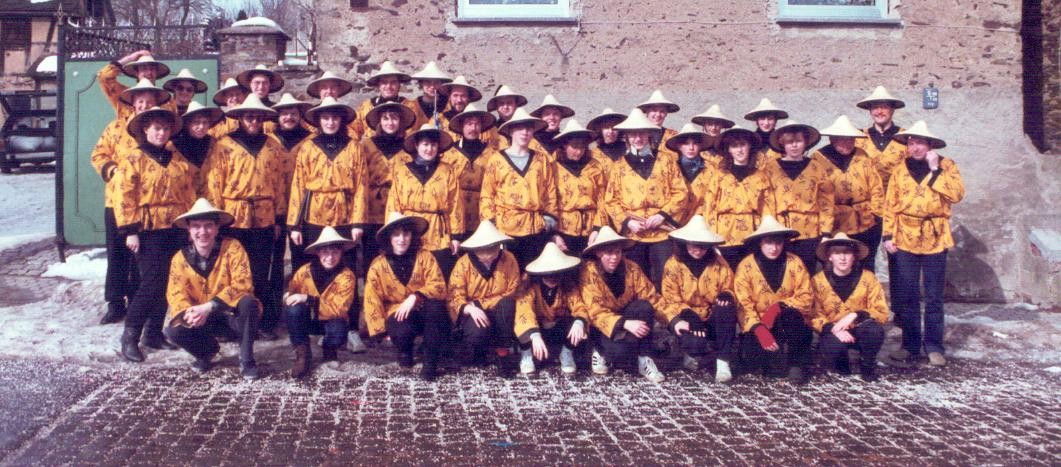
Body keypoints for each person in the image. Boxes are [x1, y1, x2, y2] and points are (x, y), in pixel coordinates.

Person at [114, 107, 198, 362]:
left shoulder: (176, 160)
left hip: (175, 228)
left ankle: (153, 333)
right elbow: (124, 196)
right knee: (150, 284)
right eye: (156, 129)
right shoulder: (134, 159)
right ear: (145, 131)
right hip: (148, 230)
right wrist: (130, 231)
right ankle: (130, 336)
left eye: (165, 129)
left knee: (169, 281)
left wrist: (191, 225)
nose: (161, 133)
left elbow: (188, 192)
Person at [201, 94, 288, 340]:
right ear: (240, 118)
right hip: (233, 216)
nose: (252, 121)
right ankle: (228, 323)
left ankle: (259, 322)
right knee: (231, 270)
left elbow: (281, 183)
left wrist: (279, 217)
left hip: (264, 216)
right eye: (248, 116)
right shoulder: (224, 145)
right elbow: (215, 182)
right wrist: (217, 219)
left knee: (260, 271)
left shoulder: (273, 145)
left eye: (257, 116)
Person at [286, 96, 369, 353]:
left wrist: (357, 221)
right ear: (319, 121)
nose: (330, 122)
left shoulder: (354, 147)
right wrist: (295, 224)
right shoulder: (308, 148)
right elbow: (299, 186)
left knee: (348, 273)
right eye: (325, 118)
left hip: (344, 216)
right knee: (314, 270)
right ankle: (315, 328)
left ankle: (350, 327)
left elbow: (361, 186)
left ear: (341, 120)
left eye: (335, 117)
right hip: (314, 216)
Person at [883, 121, 964, 367]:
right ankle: (909, 345)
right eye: (911, 142)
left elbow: (957, 194)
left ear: (930, 145)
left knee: (933, 296)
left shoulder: (947, 165)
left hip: (935, 236)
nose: (914, 147)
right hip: (905, 235)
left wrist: (935, 169)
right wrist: (888, 235)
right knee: (907, 294)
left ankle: (934, 346)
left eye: (920, 142)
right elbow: (890, 204)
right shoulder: (899, 169)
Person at [90, 78, 169, 325]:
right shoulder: (116, 128)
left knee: (142, 256)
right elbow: (98, 154)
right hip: (118, 202)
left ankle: (137, 301)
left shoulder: (160, 131)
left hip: (146, 206)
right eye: (140, 101)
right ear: (133, 104)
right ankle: (115, 303)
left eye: (149, 101)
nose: (144, 105)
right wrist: (113, 170)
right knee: (118, 253)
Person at [163, 199, 261, 379]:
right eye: (196, 227)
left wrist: (209, 307)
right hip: (201, 320)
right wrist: (190, 313)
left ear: (217, 228)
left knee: (249, 303)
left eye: (208, 226)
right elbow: (175, 292)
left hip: (231, 315)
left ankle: (247, 359)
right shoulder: (179, 258)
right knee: (173, 329)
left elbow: (243, 282)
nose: (203, 232)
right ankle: (206, 352)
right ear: (189, 230)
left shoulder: (233, 247)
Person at [603, 108, 687, 288]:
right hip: (635, 233)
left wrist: (662, 215)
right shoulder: (619, 166)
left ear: (649, 134)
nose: (637, 138)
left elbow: (680, 192)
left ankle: (666, 315)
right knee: (637, 278)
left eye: (641, 133)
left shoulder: (666, 160)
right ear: (627, 137)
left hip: (661, 232)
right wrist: (627, 223)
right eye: (633, 134)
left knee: (664, 276)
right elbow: (611, 201)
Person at [364, 213, 450, 381]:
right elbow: (371, 299)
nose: (401, 239)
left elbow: (439, 285)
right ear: (389, 238)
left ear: (412, 236)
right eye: (396, 234)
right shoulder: (378, 265)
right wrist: (380, 331)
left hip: (424, 308)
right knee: (401, 332)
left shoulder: (425, 257)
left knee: (437, 308)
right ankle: (405, 351)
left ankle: (430, 364)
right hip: (397, 313)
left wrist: (415, 297)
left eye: (406, 234)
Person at [733, 216, 815, 385]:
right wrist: (758, 328)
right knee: (753, 361)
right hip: (759, 324)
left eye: (778, 242)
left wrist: (779, 306)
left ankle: (795, 364)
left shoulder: (795, 262)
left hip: (788, 322)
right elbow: (743, 304)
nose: (774, 248)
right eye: (769, 242)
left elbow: (806, 296)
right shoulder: (746, 266)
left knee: (791, 316)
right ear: (760, 243)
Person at [579, 226, 665, 383]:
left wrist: (675, 321)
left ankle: (645, 358)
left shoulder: (631, 268)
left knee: (644, 306)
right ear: (598, 253)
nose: (614, 258)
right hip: (602, 327)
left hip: (626, 317)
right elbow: (595, 311)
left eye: (617, 252)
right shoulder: (589, 272)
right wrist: (624, 323)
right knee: (620, 354)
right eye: (608, 253)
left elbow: (652, 297)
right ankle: (599, 350)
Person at [659, 215, 738, 383]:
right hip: (687, 318)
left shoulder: (719, 263)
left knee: (727, 307)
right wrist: (687, 313)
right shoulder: (673, 264)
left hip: (711, 315)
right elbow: (670, 297)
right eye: (694, 245)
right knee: (695, 344)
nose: (698, 251)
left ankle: (723, 362)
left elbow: (729, 287)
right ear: (686, 242)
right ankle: (686, 350)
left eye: (703, 247)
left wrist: (726, 294)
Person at [480, 107, 558, 267]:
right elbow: (487, 194)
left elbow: (550, 191)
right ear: (511, 131)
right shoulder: (497, 159)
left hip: (535, 228)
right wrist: (491, 225)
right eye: (520, 128)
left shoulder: (541, 159)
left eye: (529, 128)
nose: (525, 132)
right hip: (506, 228)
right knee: (507, 273)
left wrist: (548, 221)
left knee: (534, 274)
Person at [386, 123, 465, 277]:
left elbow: (456, 204)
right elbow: (393, 204)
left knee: (441, 274)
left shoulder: (448, 171)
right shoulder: (402, 171)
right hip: (410, 230)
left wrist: (456, 237)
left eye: (433, 145)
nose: (429, 149)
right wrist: (393, 233)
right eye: (425, 144)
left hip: (439, 232)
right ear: (416, 145)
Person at [811, 234, 889, 382]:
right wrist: (832, 328)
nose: (842, 258)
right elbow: (813, 314)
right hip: (833, 331)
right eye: (837, 253)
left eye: (847, 252)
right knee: (834, 351)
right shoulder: (817, 281)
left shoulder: (868, 278)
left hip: (861, 328)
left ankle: (867, 364)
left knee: (875, 331)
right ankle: (841, 363)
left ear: (854, 256)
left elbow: (882, 311)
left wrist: (856, 315)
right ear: (829, 257)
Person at [284, 226, 358, 378]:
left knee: (338, 329)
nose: (330, 257)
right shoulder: (304, 271)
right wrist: (288, 297)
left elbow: (340, 308)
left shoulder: (347, 275)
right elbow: (291, 293)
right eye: (325, 252)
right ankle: (303, 355)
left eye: (335, 252)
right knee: (293, 309)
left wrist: (309, 299)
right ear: (318, 252)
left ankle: (329, 350)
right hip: (308, 319)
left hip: (332, 322)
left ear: (341, 252)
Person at [762, 119, 835, 273]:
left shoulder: (817, 168)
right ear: (782, 144)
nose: (794, 145)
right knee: (782, 272)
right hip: (780, 231)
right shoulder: (770, 168)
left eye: (798, 141)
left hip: (809, 231)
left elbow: (826, 202)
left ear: (805, 143)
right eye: (789, 142)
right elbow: (766, 201)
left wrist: (826, 232)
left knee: (807, 273)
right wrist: (770, 230)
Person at [813, 115, 885, 272]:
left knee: (866, 262)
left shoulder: (862, 156)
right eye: (842, 139)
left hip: (866, 221)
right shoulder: (818, 159)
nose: (847, 143)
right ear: (832, 139)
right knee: (837, 265)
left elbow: (876, 187)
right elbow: (816, 193)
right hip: (835, 222)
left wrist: (878, 216)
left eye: (850, 139)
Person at [447, 221, 522, 369]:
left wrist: (480, 304)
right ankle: (477, 351)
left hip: (499, 310)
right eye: (482, 250)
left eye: (492, 248)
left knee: (507, 304)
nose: (488, 255)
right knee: (476, 334)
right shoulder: (463, 264)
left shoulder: (509, 259)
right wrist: (469, 308)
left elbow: (513, 289)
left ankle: (503, 352)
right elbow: (454, 295)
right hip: (473, 312)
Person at [267, 93, 315, 318]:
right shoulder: (269, 140)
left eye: (293, 113)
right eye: (284, 113)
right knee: (275, 264)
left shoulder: (311, 139)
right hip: (274, 208)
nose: (288, 117)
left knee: (301, 260)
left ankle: (301, 309)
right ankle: (274, 312)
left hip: (303, 209)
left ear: (300, 115)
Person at [703, 125, 772, 268]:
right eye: (734, 146)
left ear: (749, 147)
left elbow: (768, 208)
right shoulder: (719, 176)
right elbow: (709, 208)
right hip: (724, 234)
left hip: (752, 234)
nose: (739, 150)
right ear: (728, 149)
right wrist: (712, 238)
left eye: (743, 145)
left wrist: (766, 236)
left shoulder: (761, 176)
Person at [361, 101, 418, 271]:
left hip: (398, 207)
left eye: (394, 118)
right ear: (379, 122)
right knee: (370, 253)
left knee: (397, 252)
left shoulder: (409, 147)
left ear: (400, 122)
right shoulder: (367, 145)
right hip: (372, 207)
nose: (390, 122)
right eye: (385, 118)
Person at [515, 242, 588, 374]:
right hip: (536, 331)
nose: (552, 278)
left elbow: (579, 305)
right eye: (547, 273)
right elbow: (524, 311)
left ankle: (566, 352)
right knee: (519, 321)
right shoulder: (528, 285)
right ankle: (526, 354)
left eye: (556, 273)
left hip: (556, 328)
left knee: (577, 322)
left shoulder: (568, 285)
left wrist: (579, 322)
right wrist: (534, 335)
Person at [442, 103, 498, 247]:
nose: (473, 128)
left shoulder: (492, 153)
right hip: (456, 210)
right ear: (461, 126)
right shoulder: (449, 152)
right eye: (468, 124)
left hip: (482, 209)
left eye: (476, 124)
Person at [551, 119, 608, 256]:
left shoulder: (595, 167)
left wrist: (597, 228)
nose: (579, 151)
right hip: (564, 231)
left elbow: (603, 200)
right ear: (564, 145)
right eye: (574, 146)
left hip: (591, 231)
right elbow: (548, 201)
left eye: (582, 146)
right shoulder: (553, 168)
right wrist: (553, 235)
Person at [855, 86, 908, 190]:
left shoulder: (907, 136)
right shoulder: (858, 137)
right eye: (875, 108)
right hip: (868, 198)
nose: (879, 111)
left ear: (892, 110)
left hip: (899, 196)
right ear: (870, 111)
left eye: (884, 107)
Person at [349, 61, 417, 140]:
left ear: (399, 84)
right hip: (372, 150)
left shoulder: (409, 106)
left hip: (401, 150)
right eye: (384, 82)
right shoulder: (366, 106)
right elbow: (353, 130)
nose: (389, 86)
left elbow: (413, 134)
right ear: (378, 85)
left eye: (393, 82)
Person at [97, 51, 172, 119]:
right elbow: (104, 77)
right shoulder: (123, 95)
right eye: (144, 69)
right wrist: (130, 58)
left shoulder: (168, 101)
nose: (149, 72)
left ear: (156, 73)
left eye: (152, 69)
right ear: (137, 73)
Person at [666, 123, 714, 226]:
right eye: (686, 144)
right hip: (672, 222)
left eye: (695, 144)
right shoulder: (670, 167)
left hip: (702, 222)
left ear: (700, 146)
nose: (691, 148)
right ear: (679, 146)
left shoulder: (711, 169)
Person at [409, 61, 453, 129]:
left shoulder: (448, 106)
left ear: (441, 84)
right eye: (428, 82)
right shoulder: (412, 106)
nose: (432, 86)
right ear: (421, 83)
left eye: (436, 82)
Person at [636, 89, 680, 154]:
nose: (658, 114)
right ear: (647, 112)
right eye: (654, 110)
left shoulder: (672, 136)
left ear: (666, 114)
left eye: (662, 111)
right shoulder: (636, 134)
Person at [438, 75, 482, 140]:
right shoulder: (439, 120)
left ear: (469, 98)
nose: (459, 100)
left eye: (463, 96)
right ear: (449, 97)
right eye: (455, 95)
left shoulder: (479, 122)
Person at [484, 85, 528, 150]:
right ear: (496, 107)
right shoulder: (489, 132)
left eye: (509, 103)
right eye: (501, 103)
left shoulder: (527, 129)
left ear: (516, 105)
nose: (505, 107)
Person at [587, 107, 628, 172]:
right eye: (606, 127)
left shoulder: (628, 149)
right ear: (600, 130)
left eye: (614, 127)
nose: (610, 131)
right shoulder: (592, 153)